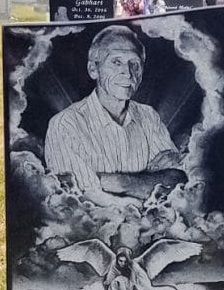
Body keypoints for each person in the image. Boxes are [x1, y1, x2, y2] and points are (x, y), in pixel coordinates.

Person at [44, 25, 184, 201]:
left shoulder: (149, 116)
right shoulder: (64, 124)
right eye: (116, 62)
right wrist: (147, 181)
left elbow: (178, 181)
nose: (127, 73)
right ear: (93, 69)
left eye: (134, 64)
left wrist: (120, 182)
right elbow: (82, 200)